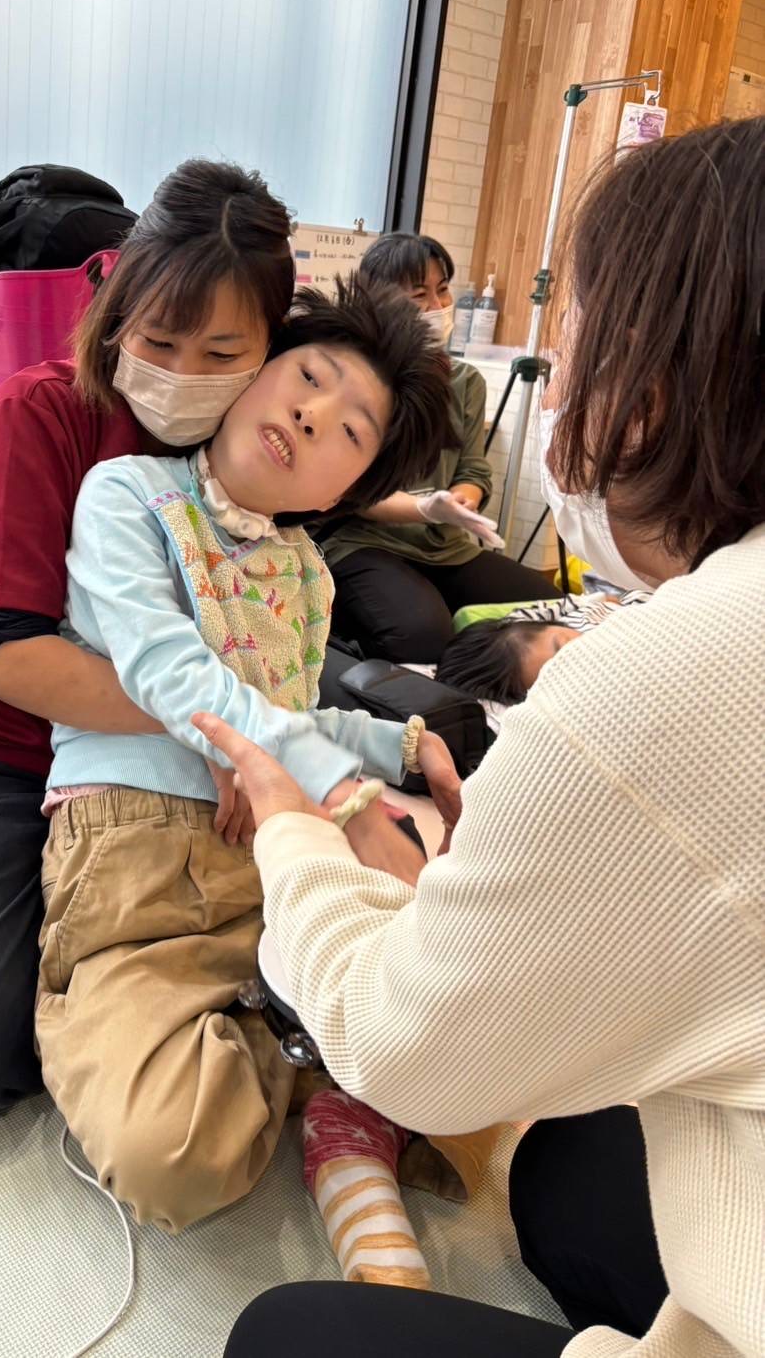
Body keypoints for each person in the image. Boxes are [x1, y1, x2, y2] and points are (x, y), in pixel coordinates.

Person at [199, 117, 764, 1358]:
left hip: (350, 866)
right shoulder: (138, 498)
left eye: (575, 335)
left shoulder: (648, 687)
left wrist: (297, 813)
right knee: (569, 1167)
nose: (559, 380)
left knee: (282, 1327)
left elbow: (393, 1039)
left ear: (655, 378)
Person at [0, 159, 305, 1136]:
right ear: (116, 306)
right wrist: (213, 727)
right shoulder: (44, 412)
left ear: (269, 351)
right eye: (159, 340)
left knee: (334, 958)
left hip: (161, 778)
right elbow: (8, 659)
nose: (185, 374)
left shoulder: (258, 445)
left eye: (222, 351)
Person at [36, 278, 487, 1247]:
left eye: (350, 430)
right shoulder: (130, 494)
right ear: (253, 376)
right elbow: (170, 670)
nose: (313, 413)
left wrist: (402, 743)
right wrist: (347, 792)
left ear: (342, 494)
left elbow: (291, 713)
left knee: (469, 1000)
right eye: (308, 377)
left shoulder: (309, 573)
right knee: (171, 1156)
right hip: (136, 860)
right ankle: (315, 1064)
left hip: (275, 861)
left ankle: (305, 1047)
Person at [322, 232, 557, 663]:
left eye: (443, 290)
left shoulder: (464, 382)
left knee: (550, 609)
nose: (436, 306)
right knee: (421, 635)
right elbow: (349, 492)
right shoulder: (358, 379)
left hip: (443, 546)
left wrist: (463, 502)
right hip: (362, 541)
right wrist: (425, 508)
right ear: (378, 301)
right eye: (419, 294)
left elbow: (473, 469)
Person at [435, 590, 649, 704]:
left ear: (555, 625)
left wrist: (604, 599)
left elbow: (531, 616)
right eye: (565, 673)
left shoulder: (582, 616)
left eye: (564, 645)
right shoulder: (619, 685)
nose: (585, 657)